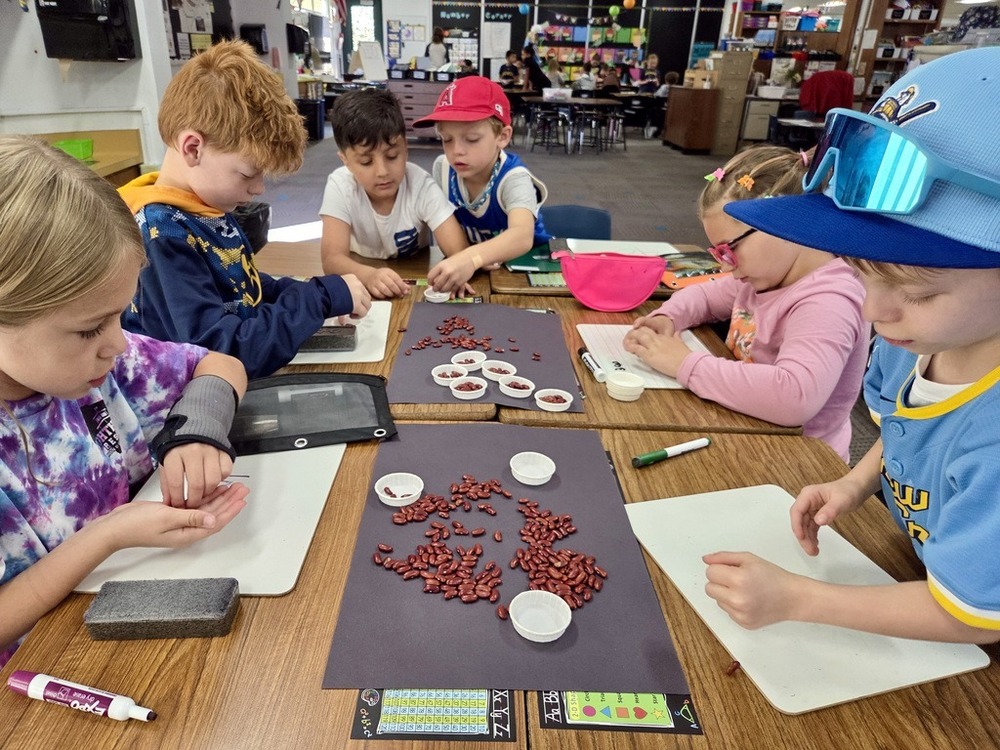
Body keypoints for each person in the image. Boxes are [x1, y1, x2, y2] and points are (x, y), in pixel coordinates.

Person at [700, 48, 1000, 643]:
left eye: (917, 290)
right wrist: (856, 483)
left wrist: (797, 598)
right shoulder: (910, 338)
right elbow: (899, 426)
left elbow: (971, 618)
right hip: (919, 565)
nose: (873, 312)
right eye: (862, 272)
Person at [0, 135, 250, 668]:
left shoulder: (107, 361)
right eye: (91, 329)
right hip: (45, 679)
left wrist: (197, 427)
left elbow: (219, 365)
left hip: (147, 615)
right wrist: (107, 537)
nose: (118, 344)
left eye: (119, 314)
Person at [119, 40, 371, 379]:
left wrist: (309, 292)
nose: (258, 189)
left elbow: (240, 288)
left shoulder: (199, 206)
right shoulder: (163, 236)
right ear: (193, 148)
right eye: (248, 173)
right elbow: (223, 355)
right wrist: (318, 299)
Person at [623, 145, 869, 463]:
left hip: (802, 464)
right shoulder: (765, 277)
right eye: (717, 254)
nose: (725, 266)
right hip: (748, 432)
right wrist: (669, 317)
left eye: (729, 249)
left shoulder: (829, 300)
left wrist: (684, 363)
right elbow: (705, 296)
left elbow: (795, 397)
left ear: (788, 225)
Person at [320, 88, 470, 299]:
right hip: (361, 281)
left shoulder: (420, 184)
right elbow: (332, 259)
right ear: (345, 160)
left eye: (392, 156)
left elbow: (459, 249)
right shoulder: (340, 185)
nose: (382, 172)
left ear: (405, 147)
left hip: (414, 280)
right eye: (366, 162)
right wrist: (369, 276)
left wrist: (458, 268)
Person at [412, 76, 550, 294]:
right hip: (475, 270)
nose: (456, 150)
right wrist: (468, 258)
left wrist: (471, 258)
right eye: (446, 139)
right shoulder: (443, 168)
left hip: (525, 269)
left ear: (502, 136)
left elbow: (522, 236)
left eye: (472, 139)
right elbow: (444, 224)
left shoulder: (514, 178)